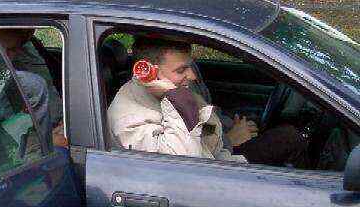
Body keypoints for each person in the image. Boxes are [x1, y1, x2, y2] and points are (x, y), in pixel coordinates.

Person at [108, 38, 309, 167]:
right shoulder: (130, 120)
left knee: (289, 137)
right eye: (181, 70)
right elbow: (185, 166)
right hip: (204, 181)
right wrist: (177, 99)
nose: (192, 76)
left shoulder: (170, 91)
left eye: (190, 67)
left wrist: (228, 139)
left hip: (219, 160)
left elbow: (209, 135)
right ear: (148, 73)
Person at [0, 28, 68, 147]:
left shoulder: (26, 55)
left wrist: (62, 123)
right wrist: (45, 140)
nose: (7, 57)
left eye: (14, 50)